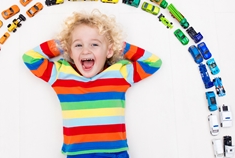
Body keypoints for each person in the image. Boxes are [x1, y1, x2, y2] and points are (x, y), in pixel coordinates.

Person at [22, 9, 162, 158]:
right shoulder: (61, 74)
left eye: (94, 44)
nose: (85, 51)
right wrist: (61, 45)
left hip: (115, 153)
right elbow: (30, 58)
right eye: (78, 45)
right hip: (77, 154)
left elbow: (153, 63)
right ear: (70, 52)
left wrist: (121, 47)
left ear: (108, 51)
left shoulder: (120, 73)